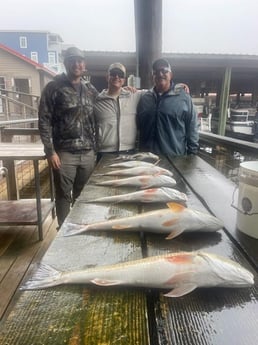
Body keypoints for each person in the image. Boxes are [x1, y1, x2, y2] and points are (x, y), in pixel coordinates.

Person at [38, 46, 98, 228]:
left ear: (84, 65)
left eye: (80, 61)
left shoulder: (89, 89)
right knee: (64, 195)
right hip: (64, 154)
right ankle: (63, 233)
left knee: (83, 194)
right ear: (66, 63)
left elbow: (109, 99)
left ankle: (79, 228)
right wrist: (50, 152)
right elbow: (44, 120)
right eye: (72, 60)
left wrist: (130, 90)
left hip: (88, 152)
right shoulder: (53, 88)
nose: (77, 64)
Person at [136, 58, 199, 156]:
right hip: (147, 160)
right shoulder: (145, 98)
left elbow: (192, 128)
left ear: (171, 75)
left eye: (164, 71)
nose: (160, 74)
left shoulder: (184, 98)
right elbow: (139, 126)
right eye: (156, 72)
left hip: (175, 159)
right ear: (152, 76)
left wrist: (192, 154)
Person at [94, 62, 144, 161]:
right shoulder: (96, 100)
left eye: (120, 74)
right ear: (107, 77)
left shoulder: (134, 95)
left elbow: (155, 91)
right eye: (113, 73)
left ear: (124, 80)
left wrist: (179, 88)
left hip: (129, 152)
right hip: (104, 153)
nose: (117, 76)